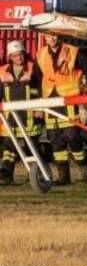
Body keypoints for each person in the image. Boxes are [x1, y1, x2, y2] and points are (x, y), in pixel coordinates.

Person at [36, 34, 87, 185]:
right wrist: (38, 104)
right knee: (55, 140)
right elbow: (37, 80)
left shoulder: (72, 52)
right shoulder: (41, 54)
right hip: (50, 101)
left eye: (55, 36)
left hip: (70, 100)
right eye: (49, 37)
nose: (53, 39)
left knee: (72, 137)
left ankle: (83, 168)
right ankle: (63, 176)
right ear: (44, 38)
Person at [0, 42, 43, 184]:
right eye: (15, 55)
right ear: (10, 57)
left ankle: (34, 176)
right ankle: (6, 175)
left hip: (30, 117)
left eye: (21, 54)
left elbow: (39, 91)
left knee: (32, 149)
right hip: (10, 118)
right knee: (8, 149)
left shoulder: (33, 69)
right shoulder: (2, 71)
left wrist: (39, 108)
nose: (19, 57)